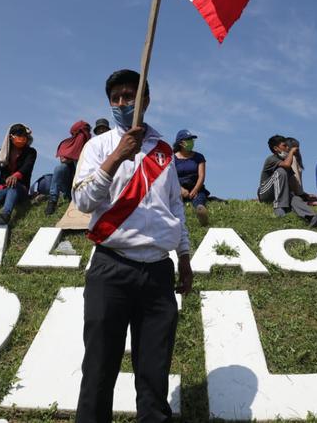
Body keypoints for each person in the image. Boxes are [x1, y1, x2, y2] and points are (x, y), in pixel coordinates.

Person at [72, 69, 192, 423]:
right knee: (98, 369)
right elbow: (82, 200)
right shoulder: (98, 147)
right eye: (117, 98)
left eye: (130, 96)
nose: (123, 103)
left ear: (146, 101)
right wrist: (117, 157)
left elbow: (176, 207)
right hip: (111, 268)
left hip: (158, 271)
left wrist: (184, 257)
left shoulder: (164, 151)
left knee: (154, 375)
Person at [258, 135, 317, 227]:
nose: (287, 148)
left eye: (288, 146)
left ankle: (311, 218)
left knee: (295, 198)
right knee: (281, 171)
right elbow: (286, 165)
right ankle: (279, 207)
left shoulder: (285, 161)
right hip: (265, 192)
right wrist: (291, 152)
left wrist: (305, 196)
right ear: (276, 148)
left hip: (279, 193)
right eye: (284, 146)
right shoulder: (271, 159)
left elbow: (291, 184)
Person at [46, 120, 92, 215]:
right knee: (60, 168)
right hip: (68, 185)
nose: (83, 135)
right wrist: (74, 156)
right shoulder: (67, 143)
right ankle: (52, 200)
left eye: (87, 131)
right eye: (82, 132)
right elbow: (63, 160)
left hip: (85, 185)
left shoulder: (91, 145)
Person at [173, 129, 210, 226]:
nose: (191, 142)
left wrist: (195, 189)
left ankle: (201, 211)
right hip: (179, 187)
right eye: (188, 140)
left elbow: (201, 176)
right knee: (173, 199)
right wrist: (180, 189)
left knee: (199, 198)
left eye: (192, 140)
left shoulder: (199, 157)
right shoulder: (172, 158)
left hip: (196, 187)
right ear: (180, 143)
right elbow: (170, 176)